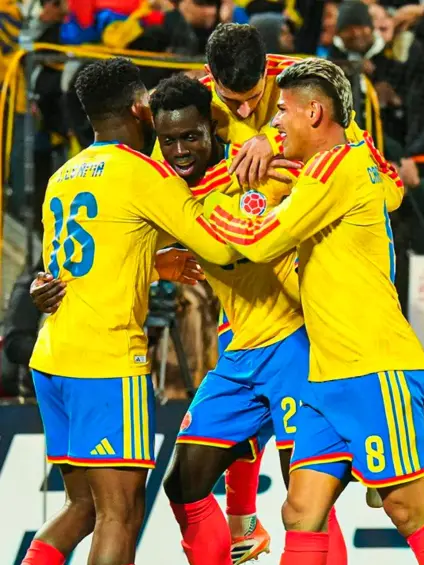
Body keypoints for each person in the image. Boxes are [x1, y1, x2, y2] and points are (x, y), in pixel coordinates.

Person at [202, 57, 424, 565]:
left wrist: (200, 207)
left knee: (408, 510)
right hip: (328, 373)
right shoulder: (350, 160)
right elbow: (389, 187)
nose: (275, 123)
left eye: (282, 112)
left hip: (373, 365)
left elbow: (260, 241)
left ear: (316, 114)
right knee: (300, 511)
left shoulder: (332, 168)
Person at [21, 57, 238, 565]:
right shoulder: (145, 174)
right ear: (142, 108)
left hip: (53, 356)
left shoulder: (66, 174)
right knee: (120, 512)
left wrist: (153, 262)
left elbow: (82, 259)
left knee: (81, 507)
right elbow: (220, 245)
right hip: (107, 362)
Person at [150, 74, 348, 565]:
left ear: (212, 132)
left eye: (191, 136)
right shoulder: (167, 195)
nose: (179, 150)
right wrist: (157, 262)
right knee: (183, 484)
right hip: (238, 355)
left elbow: (344, 178)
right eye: (169, 140)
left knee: (307, 501)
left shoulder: (262, 170)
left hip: (296, 346)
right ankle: (240, 533)